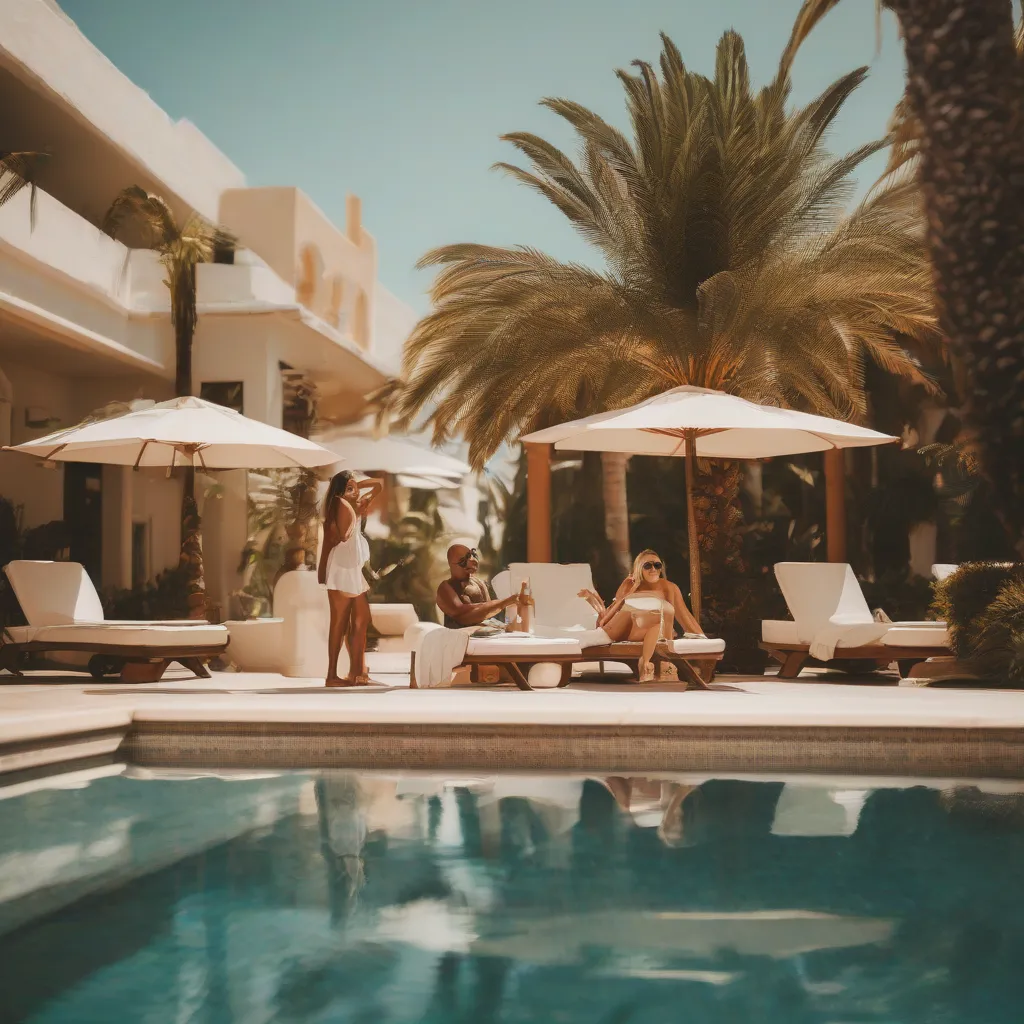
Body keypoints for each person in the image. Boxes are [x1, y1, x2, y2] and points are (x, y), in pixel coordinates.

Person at [577, 549, 704, 682]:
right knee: (639, 613)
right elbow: (606, 618)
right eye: (647, 566)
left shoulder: (668, 587)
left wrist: (700, 637)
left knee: (658, 616)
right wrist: (629, 592)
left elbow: (684, 614)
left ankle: (646, 663)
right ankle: (646, 663)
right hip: (624, 629)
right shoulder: (630, 585)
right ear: (639, 569)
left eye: (657, 565)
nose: (653, 569)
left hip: (653, 631)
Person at [318, 470, 383, 687]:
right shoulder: (339, 504)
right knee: (339, 623)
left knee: (362, 618)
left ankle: (356, 672)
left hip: (352, 568)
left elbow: (379, 486)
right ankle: (331, 675)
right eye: (349, 487)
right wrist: (354, 504)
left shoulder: (347, 503)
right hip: (342, 568)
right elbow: (341, 536)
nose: (355, 491)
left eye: (354, 487)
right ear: (340, 490)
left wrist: (356, 488)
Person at [436, 544, 520, 628]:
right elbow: (463, 616)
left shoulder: (479, 583)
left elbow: (487, 613)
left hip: (483, 637)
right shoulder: (445, 588)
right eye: (463, 561)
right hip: (459, 638)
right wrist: (503, 603)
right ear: (451, 564)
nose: (472, 560)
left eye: (472, 555)